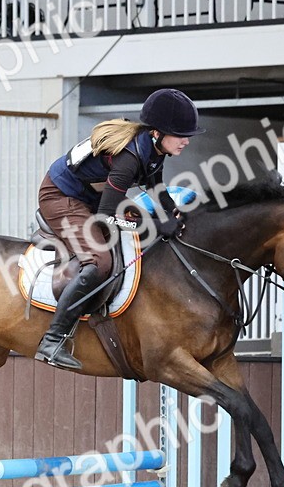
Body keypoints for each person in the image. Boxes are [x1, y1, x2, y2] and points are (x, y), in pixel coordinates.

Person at [33, 88, 204, 370]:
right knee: (99, 262)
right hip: (61, 196)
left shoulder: (154, 150)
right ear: (157, 132)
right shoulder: (129, 158)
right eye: (181, 134)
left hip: (88, 196)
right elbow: (105, 217)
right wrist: (153, 223)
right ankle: (53, 340)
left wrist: (173, 212)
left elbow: (156, 186)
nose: (186, 141)